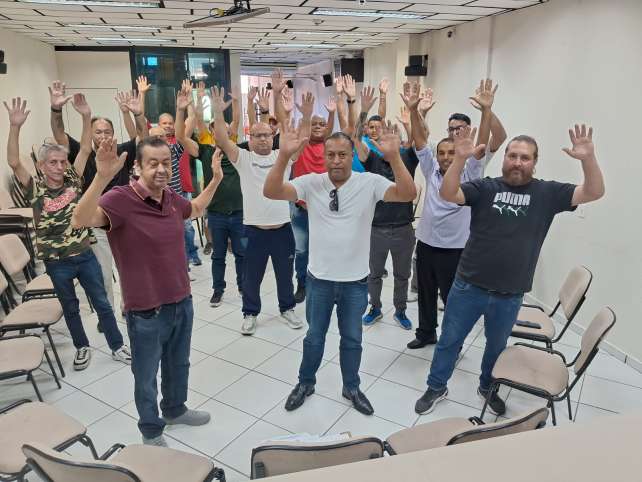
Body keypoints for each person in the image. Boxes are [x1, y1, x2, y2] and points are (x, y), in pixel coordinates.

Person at [414, 123, 605, 416]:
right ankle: (436, 386)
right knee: (449, 341)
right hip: (468, 286)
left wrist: (588, 158)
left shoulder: (547, 193)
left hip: (510, 293)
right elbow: (448, 193)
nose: (517, 162)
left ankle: (488, 387)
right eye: (512, 155)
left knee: (496, 347)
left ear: (534, 162)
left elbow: (593, 192)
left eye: (524, 157)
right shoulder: (485, 187)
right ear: (504, 158)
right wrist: (460, 159)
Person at [71, 134, 225, 446]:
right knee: (145, 376)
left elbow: (195, 208)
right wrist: (101, 177)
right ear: (138, 167)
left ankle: (175, 409)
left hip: (181, 301)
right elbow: (80, 219)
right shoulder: (120, 199)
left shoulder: (171, 198)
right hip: (146, 311)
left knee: (178, 364)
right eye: (152, 163)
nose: (161, 169)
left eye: (166, 163)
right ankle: (151, 429)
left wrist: (216, 179)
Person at [264, 120, 416, 416]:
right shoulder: (311, 182)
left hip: (355, 282)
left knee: (352, 339)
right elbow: (271, 191)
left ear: (352, 156)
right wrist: (283, 156)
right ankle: (305, 383)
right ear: (324, 157)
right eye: (330, 155)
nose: (336, 160)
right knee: (314, 338)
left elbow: (407, 193)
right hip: (319, 280)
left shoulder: (369, 182)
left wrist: (394, 157)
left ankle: (351, 386)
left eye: (342, 155)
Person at [5, 96, 131, 371]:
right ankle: (81, 347)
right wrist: (15, 127)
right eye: (53, 162)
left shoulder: (73, 178)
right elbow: (14, 161)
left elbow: (85, 148)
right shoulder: (35, 188)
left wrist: (85, 116)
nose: (60, 167)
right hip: (57, 262)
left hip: (84, 254)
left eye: (63, 162)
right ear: (41, 166)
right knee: (71, 307)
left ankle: (117, 345)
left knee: (102, 303)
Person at [404, 79, 500, 349]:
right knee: (425, 293)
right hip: (426, 244)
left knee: (453, 300)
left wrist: (486, 111)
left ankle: (453, 342)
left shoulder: (470, 172)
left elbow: (481, 144)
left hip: (455, 249)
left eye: (451, 152)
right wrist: (414, 110)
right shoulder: (430, 169)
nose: (446, 157)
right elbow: (420, 141)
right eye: (442, 153)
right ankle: (426, 333)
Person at [49, 81, 148, 322]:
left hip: (124, 223)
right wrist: (56, 109)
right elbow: (59, 134)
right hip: (96, 224)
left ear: (113, 133)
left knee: (128, 270)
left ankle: (129, 307)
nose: (103, 135)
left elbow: (143, 138)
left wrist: (138, 114)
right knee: (102, 274)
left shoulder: (123, 151)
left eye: (107, 131)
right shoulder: (82, 152)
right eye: (98, 132)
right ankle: (107, 316)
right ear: (91, 135)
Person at [211, 84, 304, 335]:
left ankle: (287, 308)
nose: (262, 139)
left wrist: (296, 112)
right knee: (251, 276)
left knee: (285, 274)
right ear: (249, 139)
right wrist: (218, 113)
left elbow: (297, 139)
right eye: (257, 135)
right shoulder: (244, 158)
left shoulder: (282, 157)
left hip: (282, 229)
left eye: (266, 135)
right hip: (253, 230)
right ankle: (250, 313)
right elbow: (221, 139)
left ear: (272, 137)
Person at [354, 87, 419, 331]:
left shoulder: (407, 158)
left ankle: (400, 310)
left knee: (402, 275)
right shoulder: (371, 159)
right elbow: (355, 138)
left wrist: (413, 115)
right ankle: (375, 308)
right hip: (377, 228)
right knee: (374, 274)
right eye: (380, 139)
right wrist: (363, 111)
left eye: (390, 138)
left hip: (403, 228)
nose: (385, 142)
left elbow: (418, 141)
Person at [176, 83, 246, 307]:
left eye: (225, 128)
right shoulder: (204, 150)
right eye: (217, 129)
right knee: (218, 256)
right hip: (216, 214)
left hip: (239, 212)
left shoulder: (238, 151)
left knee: (241, 254)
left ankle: (243, 286)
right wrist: (188, 108)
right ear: (212, 132)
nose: (221, 132)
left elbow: (237, 120)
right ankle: (218, 289)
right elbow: (180, 137)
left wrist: (236, 102)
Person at [290, 97, 337, 304]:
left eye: (322, 124)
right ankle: (302, 284)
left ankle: (325, 284)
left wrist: (332, 113)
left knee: (326, 249)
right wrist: (306, 117)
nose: (317, 127)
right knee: (301, 250)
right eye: (314, 124)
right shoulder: (301, 145)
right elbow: (303, 132)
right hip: (301, 209)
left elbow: (333, 131)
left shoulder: (330, 148)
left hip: (325, 209)